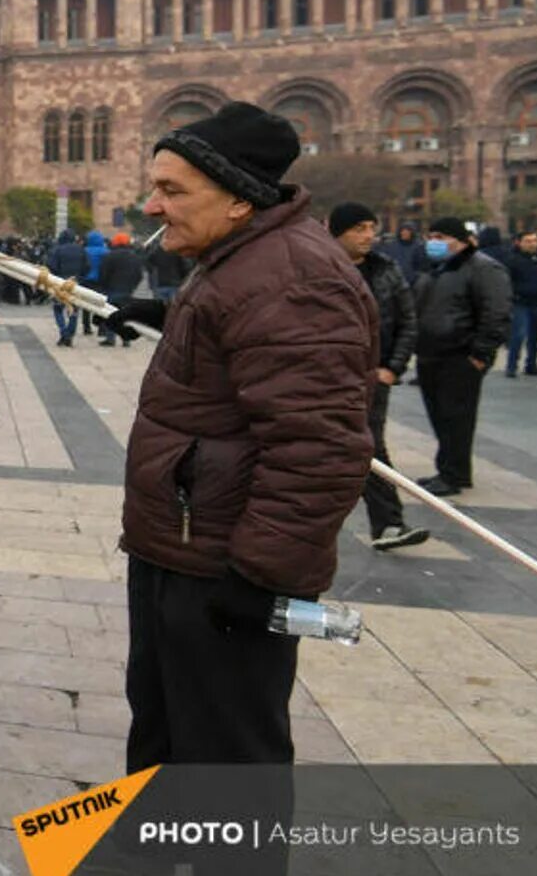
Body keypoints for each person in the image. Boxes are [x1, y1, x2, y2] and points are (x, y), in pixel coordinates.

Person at [110, 102, 374, 769]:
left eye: (172, 190)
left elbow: (318, 448)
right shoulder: (244, 261)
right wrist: (161, 313)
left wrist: (261, 575)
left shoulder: (295, 278)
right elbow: (242, 341)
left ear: (236, 202)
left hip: (224, 568)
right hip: (184, 550)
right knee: (167, 732)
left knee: (225, 759)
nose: (152, 205)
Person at [329, 203, 427, 551]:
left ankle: (389, 523)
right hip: (326, 377)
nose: (368, 235)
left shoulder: (387, 270)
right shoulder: (319, 268)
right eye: (359, 228)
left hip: (372, 377)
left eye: (371, 227)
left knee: (368, 446)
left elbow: (408, 321)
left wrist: (392, 369)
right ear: (337, 232)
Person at [411, 217, 512, 498]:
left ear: (462, 240)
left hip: (460, 355)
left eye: (441, 236)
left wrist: (481, 353)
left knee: (456, 417)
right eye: (431, 235)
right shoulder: (436, 270)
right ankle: (449, 469)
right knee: (440, 417)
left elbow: (496, 313)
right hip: (430, 354)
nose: (434, 242)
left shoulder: (484, 268)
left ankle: (453, 474)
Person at [501, 228, 537, 378]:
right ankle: (512, 365)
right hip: (520, 302)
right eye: (528, 241)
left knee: (536, 336)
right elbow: (506, 282)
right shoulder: (512, 260)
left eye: (534, 241)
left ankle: (532, 364)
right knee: (518, 334)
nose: (532, 244)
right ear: (519, 243)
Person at [96, 232, 144, 347]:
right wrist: (133, 286)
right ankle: (126, 339)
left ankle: (110, 338)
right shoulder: (134, 256)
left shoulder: (110, 256)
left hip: (112, 289)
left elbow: (103, 273)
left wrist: (104, 285)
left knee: (110, 313)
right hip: (128, 289)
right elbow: (139, 274)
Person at [46, 229, 88, 347]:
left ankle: (63, 332)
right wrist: (80, 277)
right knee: (73, 310)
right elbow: (87, 266)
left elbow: (51, 266)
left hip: (59, 283)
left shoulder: (56, 250)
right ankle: (70, 333)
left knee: (58, 309)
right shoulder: (81, 250)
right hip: (76, 283)